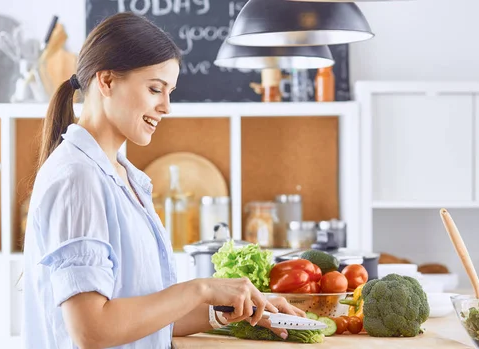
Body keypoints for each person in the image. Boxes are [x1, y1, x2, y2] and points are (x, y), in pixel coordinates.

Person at [21, 12, 305, 349]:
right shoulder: (77, 178)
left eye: (169, 91)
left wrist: (234, 310)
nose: (166, 107)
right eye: (156, 89)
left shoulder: (123, 177)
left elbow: (143, 317)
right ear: (107, 81)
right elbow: (92, 330)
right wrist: (199, 288)